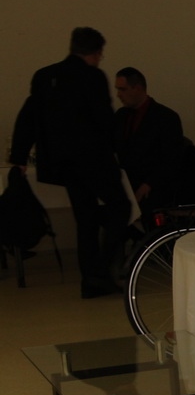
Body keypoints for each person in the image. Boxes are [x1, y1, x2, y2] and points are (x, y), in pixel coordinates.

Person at [9, 27, 131, 297]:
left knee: (85, 219)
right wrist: (118, 154)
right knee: (120, 208)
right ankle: (101, 269)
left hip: (63, 164)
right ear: (96, 53)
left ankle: (91, 279)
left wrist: (19, 157)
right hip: (94, 160)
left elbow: (28, 117)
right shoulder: (93, 77)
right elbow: (104, 120)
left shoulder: (45, 76)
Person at [113, 67, 186, 225]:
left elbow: (172, 158)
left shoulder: (166, 118)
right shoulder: (120, 116)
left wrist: (149, 183)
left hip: (154, 189)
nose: (118, 94)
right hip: (127, 187)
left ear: (138, 88)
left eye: (123, 89)